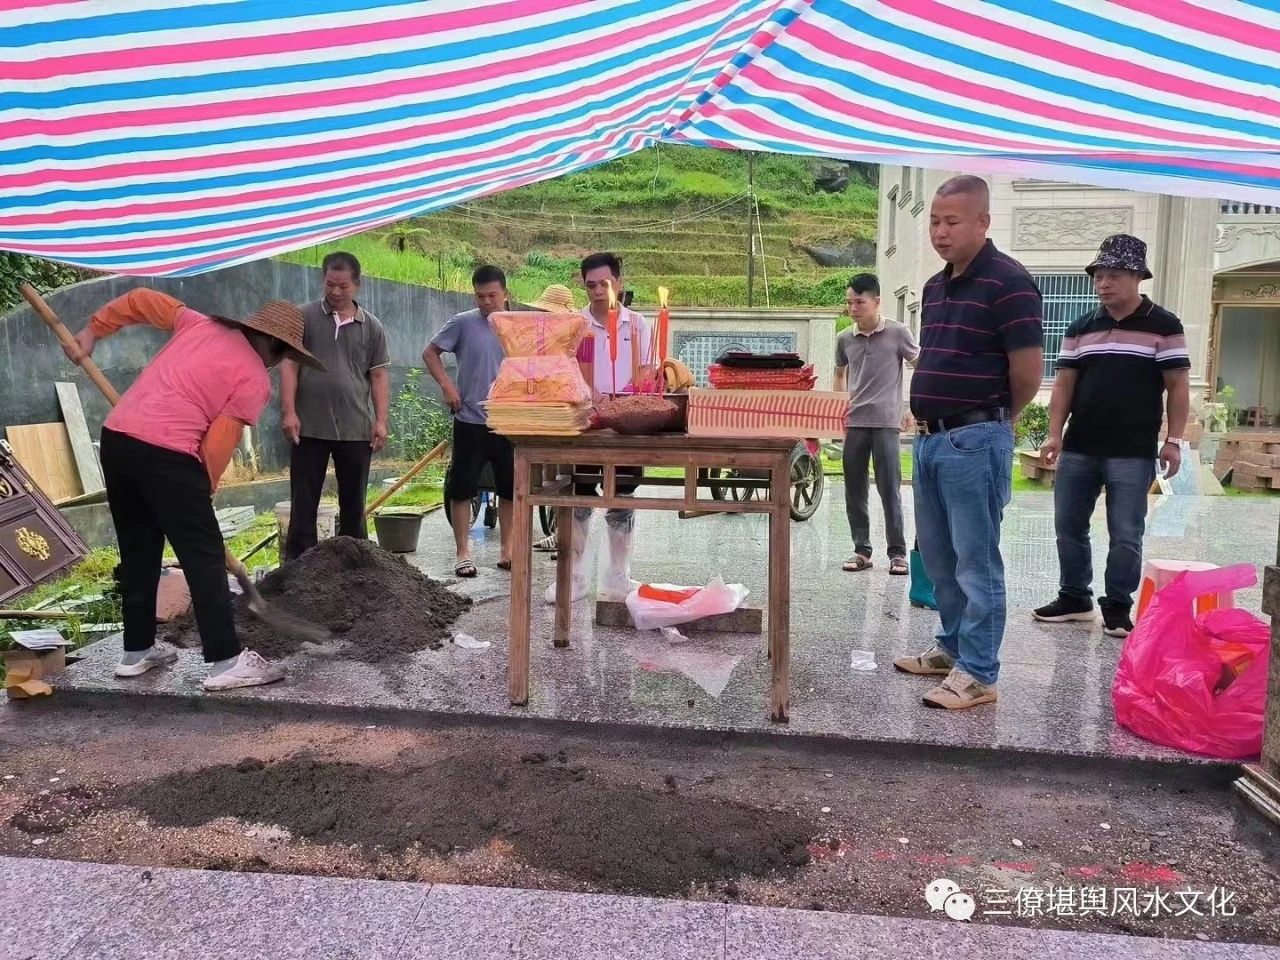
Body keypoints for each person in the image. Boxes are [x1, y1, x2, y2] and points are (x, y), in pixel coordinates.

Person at [65, 288, 323, 690]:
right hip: (168, 453)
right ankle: (226, 661)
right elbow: (218, 443)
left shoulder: (196, 323)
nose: (277, 365)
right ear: (275, 345)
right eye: (284, 355)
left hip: (118, 440)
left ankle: (136, 651)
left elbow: (140, 299)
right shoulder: (254, 378)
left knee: (138, 550)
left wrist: (92, 331)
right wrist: (205, 487)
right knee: (204, 556)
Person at [893, 176, 1044, 710]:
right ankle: (953, 648)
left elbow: (1027, 373)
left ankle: (979, 673)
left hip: (975, 440)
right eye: (934, 221)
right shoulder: (935, 287)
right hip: (930, 441)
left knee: (976, 562)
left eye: (952, 222)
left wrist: (993, 422)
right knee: (939, 558)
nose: (940, 231)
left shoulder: (1009, 282)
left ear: (983, 222)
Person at [1034, 234, 1190, 638]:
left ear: (1137, 277)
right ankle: (1074, 598)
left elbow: (1177, 386)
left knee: (1125, 534)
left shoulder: (1164, 325)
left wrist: (1174, 440)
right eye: (1098, 276)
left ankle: (1118, 606)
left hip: (1132, 452)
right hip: (1080, 447)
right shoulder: (1081, 327)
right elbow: (1063, 385)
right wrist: (1054, 434)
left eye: (1114, 275)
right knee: (1069, 526)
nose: (1103, 283)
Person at [546, 252, 651, 605]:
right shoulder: (575, 326)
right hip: (585, 424)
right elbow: (564, 372)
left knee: (622, 495)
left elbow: (645, 372)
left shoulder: (638, 325)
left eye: (604, 284)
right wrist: (590, 399)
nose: (597, 292)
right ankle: (574, 577)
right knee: (578, 494)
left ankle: (617, 577)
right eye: (590, 285)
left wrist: (629, 400)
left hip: (625, 425)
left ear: (618, 283)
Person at [281, 251, 390, 561]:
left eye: (343, 286)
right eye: (330, 284)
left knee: (354, 505)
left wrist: (381, 421)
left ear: (357, 284)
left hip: (355, 427)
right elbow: (289, 365)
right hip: (309, 427)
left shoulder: (372, 326)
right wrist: (289, 411)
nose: (336, 292)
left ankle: (353, 568)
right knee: (303, 504)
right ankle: (299, 568)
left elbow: (379, 375)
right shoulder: (303, 317)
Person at [425, 265, 514, 577]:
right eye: (480, 296)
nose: (486, 301)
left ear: (505, 293)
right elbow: (430, 353)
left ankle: (507, 550)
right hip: (469, 418)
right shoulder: (462, 323)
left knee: (510, 488)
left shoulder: (517, 325)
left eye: (492, 295)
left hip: (509, 422)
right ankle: (463, 552)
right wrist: (447, 386)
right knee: (461, 488)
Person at [834, 273, 919, 576]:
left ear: (877, 301)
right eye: (849, 303)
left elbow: (920, 366)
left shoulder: (898, 332)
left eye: (859, 302)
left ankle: (897, 553)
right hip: (854, 423)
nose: (853, 308)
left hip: (886, 423)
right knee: (854, 490)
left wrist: (913, 407)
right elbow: (839, 372)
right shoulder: (844, 338)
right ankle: (862, 550)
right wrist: (838, 408)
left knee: (889, 488)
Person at [526, 284, 580, 559]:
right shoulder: (536, 338)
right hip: (541, 413)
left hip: (565, 412)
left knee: (568, 477)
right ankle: (558, 532)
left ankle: (566, 534)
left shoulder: (575, 339)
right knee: (547, 478)